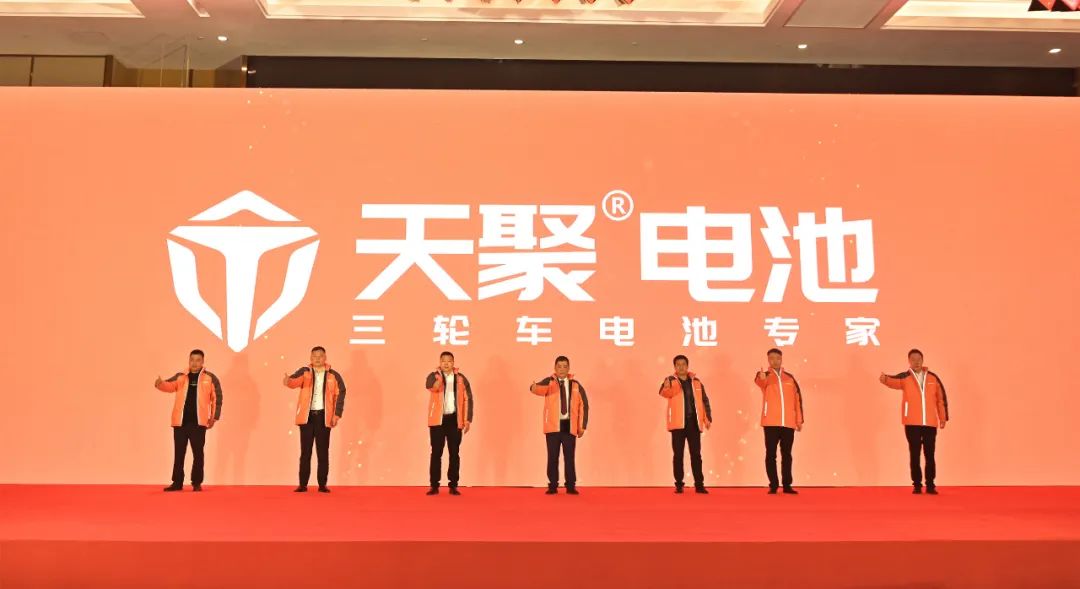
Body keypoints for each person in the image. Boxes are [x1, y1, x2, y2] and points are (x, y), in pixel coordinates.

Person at [879, 349, 949, 495]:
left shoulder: (933, 378)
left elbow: (940, 399)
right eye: (913, 359)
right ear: (909, 361)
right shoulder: (905, 378)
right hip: (912, 423)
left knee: (930, 455)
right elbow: (893, 381)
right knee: (914, 454)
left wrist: (942, 418)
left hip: (930, 424)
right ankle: (917, 485)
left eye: (919, 359)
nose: (916, 362)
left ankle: (930, 485)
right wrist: (885, 379)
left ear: (922, 360)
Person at [154, 349, 223, 492]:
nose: (194, 363)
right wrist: (160, 384)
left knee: (198, 454)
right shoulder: (181, 377)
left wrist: (214, 417)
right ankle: (177, 482)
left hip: (198, 424)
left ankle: (196, 482)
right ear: (189, 361)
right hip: (180, 423)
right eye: (192, 360)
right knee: (179, 454)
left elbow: (217, 398)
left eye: (198, 360)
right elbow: (169, 386)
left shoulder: (210, 378)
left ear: (203, 362)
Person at [283, 346, 347, 493]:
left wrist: (336, 414)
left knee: (323, 452)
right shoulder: (304, 372)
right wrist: (287, 381)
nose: (317, 359)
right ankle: (303, 485)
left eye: (320, 356)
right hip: (307, 418)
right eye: (314, 356)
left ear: (325, 357)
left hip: (324, 417)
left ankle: (322, 485)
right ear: (311, 358)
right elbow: (294, 382)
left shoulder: (333, 375)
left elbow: (341, 393)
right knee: (305, 452)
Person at [529, 356, 589, 495]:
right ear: (555, 368)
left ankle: (570, 486)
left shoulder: (575, 385)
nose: (562, 369)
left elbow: (584, 405)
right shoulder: (549, 382)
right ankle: (552, 485)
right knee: (552, 458)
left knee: (569, 458)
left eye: (565, 366)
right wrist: (533, 387)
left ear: (569, 368)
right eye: (559, 366)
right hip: (552, 427)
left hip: (569, 426)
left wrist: (582, 426)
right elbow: (537, 389)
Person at [658, 355, 712, 494]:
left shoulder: (696, 382)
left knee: (696, 455)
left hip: (694, 424)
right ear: (675, 367)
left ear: (687, 366)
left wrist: (707, 418)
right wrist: (666, 386)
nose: (681, 367)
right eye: (678, 364)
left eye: (683, 364)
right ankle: (679, 484)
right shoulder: (670, 381)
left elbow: (704, 400)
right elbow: (664, 393)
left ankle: (699, 485)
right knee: (678, 455)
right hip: (678, 424)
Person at [754, 348, 804, 495]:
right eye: (771, 358)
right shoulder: (765, 376)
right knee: (771, 454)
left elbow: (797, 399)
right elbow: (760, 382)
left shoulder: (790, 378)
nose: (775, 361)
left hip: (788, 423)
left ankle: (787, 485)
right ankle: (773, 485)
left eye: (777, 358)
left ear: (781, 359)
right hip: (770, 423)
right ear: (768, 360)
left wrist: (799, 420)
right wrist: (761, 377)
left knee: (787, 455)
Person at [424, 351, 474, 495]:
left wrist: (467, 419)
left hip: (454, 420)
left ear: (453, 363)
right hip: (437, 421)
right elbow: (432, 387)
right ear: (440, 362)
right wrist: (440, 378)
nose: (446, 363)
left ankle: (453, 485)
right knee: (436, 453)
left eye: (449, 361)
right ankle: (434, 485)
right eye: (443, 361)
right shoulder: (433, 376)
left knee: (454, 453)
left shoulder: (461, 378)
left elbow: (468, 398)